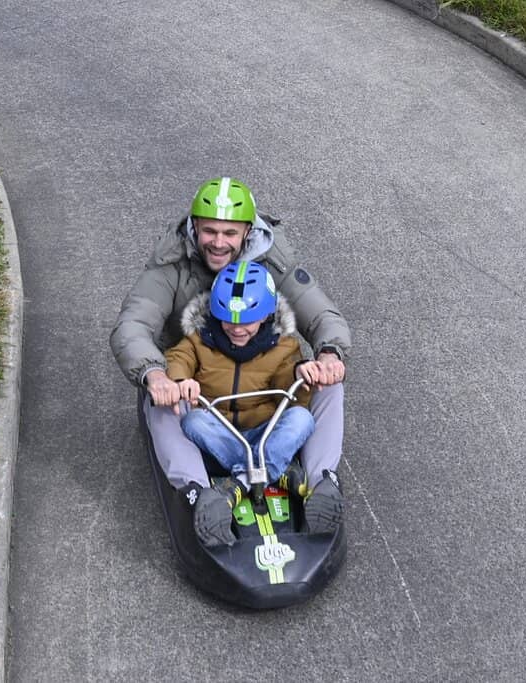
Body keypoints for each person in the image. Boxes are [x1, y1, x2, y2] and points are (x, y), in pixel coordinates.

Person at [109, 177, 349, 533]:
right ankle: (198, 493)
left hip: (263, 396)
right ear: (194, 227)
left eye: (229, 233)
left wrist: (328, 356)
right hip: (197, 388)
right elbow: (132, 324)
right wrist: (158, 375)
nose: (218, 242)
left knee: (332, 382)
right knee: (159, 400)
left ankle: (321, 481)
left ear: (247, 233)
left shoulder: (272, 261)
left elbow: (322, 314)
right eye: (209, 231)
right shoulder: (170, 265)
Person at [167, 261, 321, 546]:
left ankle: (238, 484)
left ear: (265, 316)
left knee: (302, 418)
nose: (236, 329)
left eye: (246, 322)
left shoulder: (283, 346)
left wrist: (301, 373)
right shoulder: (199, 340)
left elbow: (292, 397)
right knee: (193, 420)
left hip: (265, 432)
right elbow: (178, 360)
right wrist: (180, 381)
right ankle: (278, 472)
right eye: (228, 320)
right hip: (222, 438)